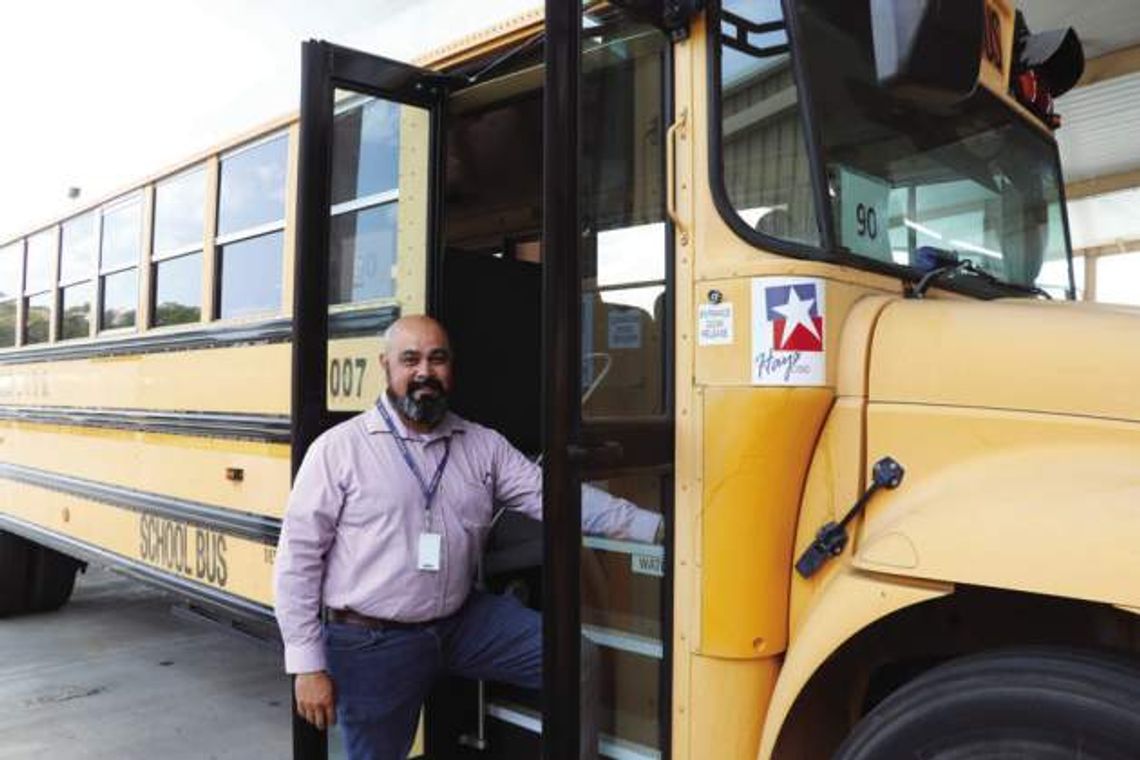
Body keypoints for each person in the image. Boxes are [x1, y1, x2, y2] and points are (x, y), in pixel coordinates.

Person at [273, 315, 662, 760]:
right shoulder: (340, 449)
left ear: (451, 368)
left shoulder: (482, 445)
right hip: (373, 640)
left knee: (575, 658)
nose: (424, 372)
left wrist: (653, 528)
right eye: (410, 360)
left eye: (437, 359)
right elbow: (298, 560)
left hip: (460, 623)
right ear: (385, 367)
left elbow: (557, 498)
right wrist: (307, 665)